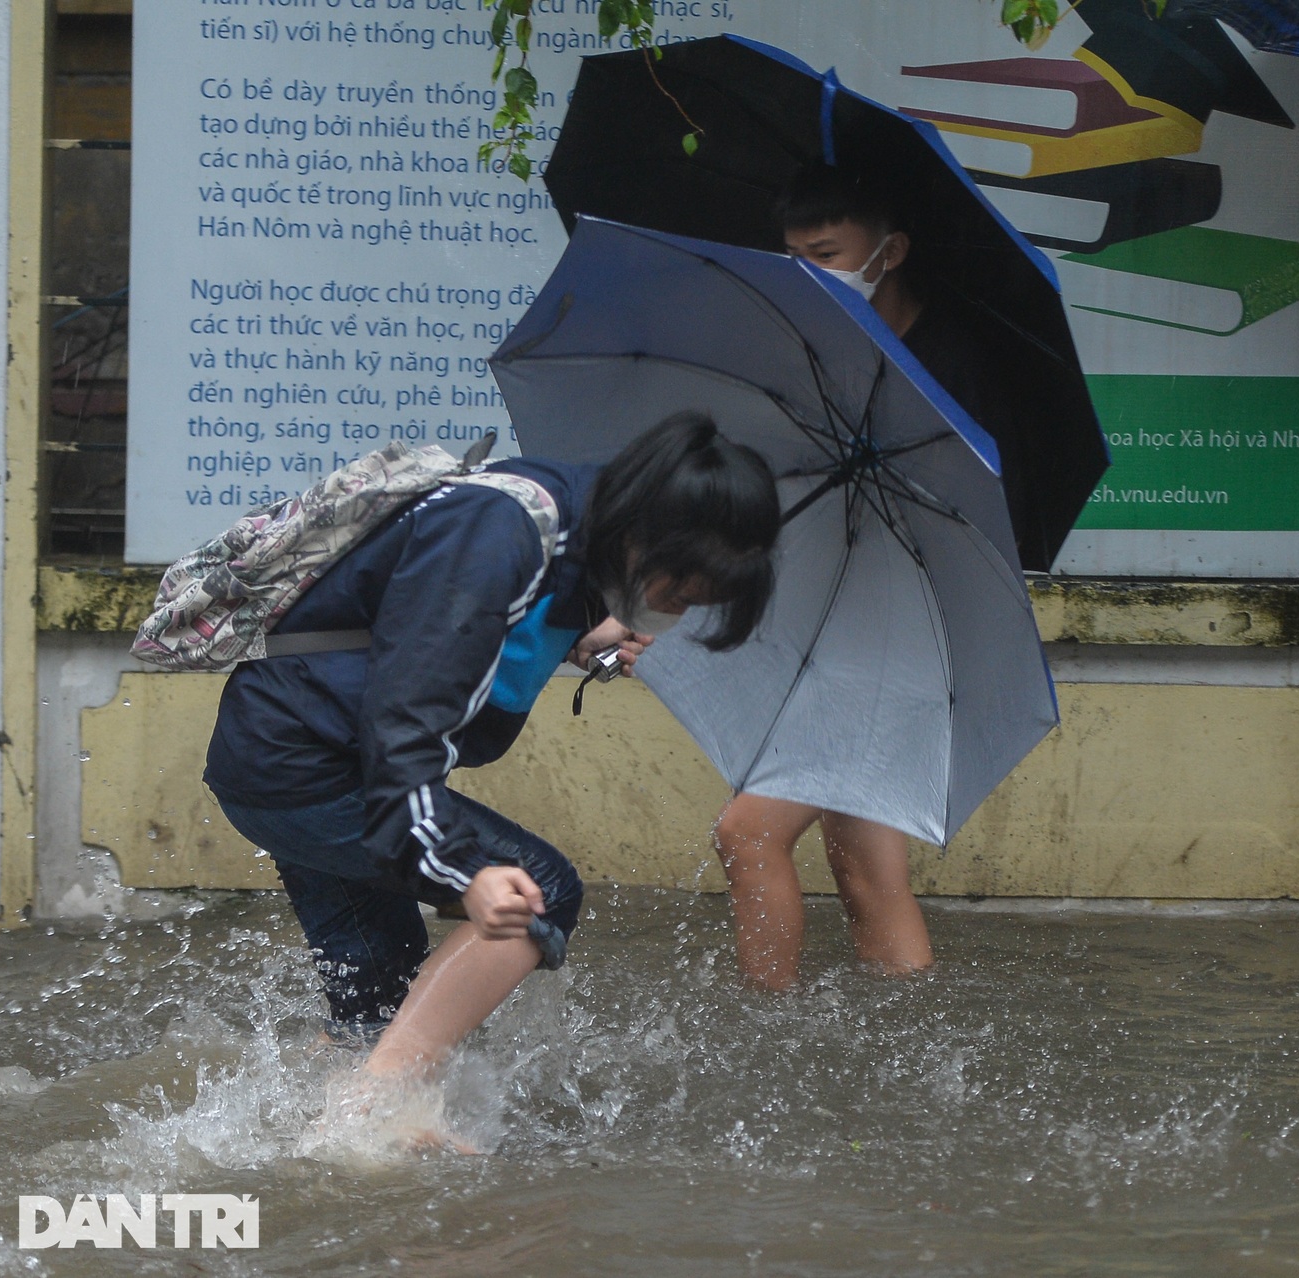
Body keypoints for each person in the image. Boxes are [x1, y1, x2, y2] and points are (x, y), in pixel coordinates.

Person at [205, 413, 779, 1090]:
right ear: (651, 537)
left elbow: (445, 633)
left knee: (374, 1003)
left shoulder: (577, 527)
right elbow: (405, 721)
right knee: (536, 892)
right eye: (677, 594)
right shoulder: (497, 532)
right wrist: (460, 868)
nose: (675, 614)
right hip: (312, 764)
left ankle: (298, 1121)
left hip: (285, 751)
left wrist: (580, 634)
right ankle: (375, 1107)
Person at [690, 163, 1014, 991]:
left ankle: (768, 1029)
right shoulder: (822, 350)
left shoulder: (952, 362)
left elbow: (967, 505)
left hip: (902, 631)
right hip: (848, 621)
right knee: (866, 864)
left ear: (890, 251)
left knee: (749, 834)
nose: (811, 273)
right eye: (795, 255)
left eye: (827, 252)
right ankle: (905, 1039)